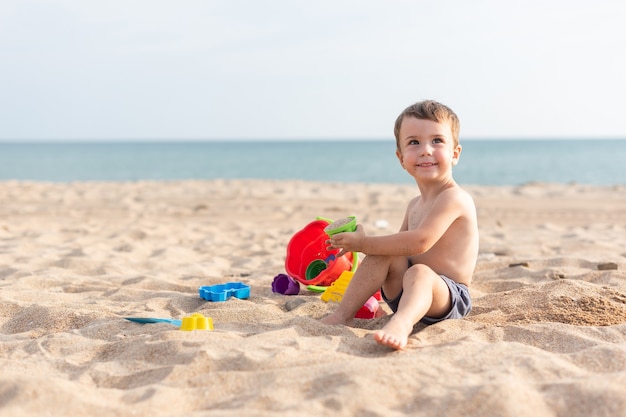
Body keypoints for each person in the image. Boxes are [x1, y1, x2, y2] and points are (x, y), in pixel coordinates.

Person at [321, 100, 479, 350]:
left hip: (447, 298)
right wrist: (364, 247)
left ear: (455, 154)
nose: (426, 150)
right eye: (414, 142)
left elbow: (418, 243)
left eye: (437, 141)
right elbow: (399, 247)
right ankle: (342, 315)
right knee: (381, 254)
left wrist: (363, 243)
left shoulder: (454, 197)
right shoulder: (414, 204)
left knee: (420, 272)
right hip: (407, 291)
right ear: (401, 158)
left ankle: (402, 324)